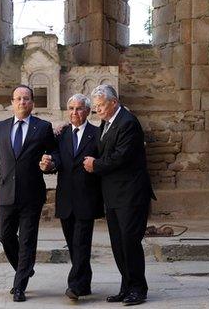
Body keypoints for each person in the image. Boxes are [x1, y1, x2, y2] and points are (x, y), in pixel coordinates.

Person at [83, 84, 156, 306]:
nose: (97, 110)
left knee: (130, 242)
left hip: (131, 195)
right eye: (95, 107)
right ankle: (126, 287)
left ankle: (138, 289)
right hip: (114, 196)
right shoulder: (106, 123)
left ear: (113, 102)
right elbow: (99, 144)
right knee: (118, 243)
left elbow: (120, 157)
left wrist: (95, 165)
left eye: (101, 106)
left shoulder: (128, 123)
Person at [0, 85, 56, 302]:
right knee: (4, 235)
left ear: (32, 103)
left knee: (27, 240)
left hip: (31, 193)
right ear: (12, 102)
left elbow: (53, 153)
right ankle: (24, 269)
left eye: (26, 99)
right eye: (18, 99)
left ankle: (19, 286)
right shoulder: (1, 127)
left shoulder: (43, 127)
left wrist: (50, 162)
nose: (22, 102)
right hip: (6, 192)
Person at [40, 94, 103, 301]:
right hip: (66, 199)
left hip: (87, 197)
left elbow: (102, 162)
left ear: (88, 111)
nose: (75, 112)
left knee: (81, 242)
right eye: (71, 108)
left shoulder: (98, 133)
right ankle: (84, 283)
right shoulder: (61, 134)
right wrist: (49, 165)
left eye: (79, 108)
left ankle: (74, 286)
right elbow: (56, 158)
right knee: (73, 243)